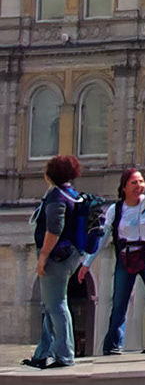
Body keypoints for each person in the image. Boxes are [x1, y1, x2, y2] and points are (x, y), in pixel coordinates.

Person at [24, 154, 89, 369]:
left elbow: (54, 229)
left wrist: (42, 257)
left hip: (57, 257)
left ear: (50, 174)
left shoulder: (57, 198)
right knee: (51, 304)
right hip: (71, 255)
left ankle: (64, 354)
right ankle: (43, 352)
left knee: (57, 305)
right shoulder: (72, 194)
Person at [96, 167, 145, 355]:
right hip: (126, 257)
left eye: (141, 182)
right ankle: (113, 344)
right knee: (120, 301)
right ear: (124, 188)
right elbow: (103, 237)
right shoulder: (116, 209)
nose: (139, 186)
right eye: (134, 183)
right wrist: (87, 263)